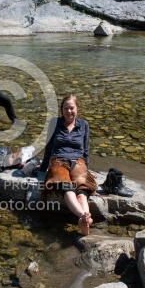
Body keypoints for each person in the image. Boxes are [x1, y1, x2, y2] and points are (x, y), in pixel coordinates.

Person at [39, 94, 97, 235]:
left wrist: (87, 170)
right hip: (58, 160)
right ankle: (84, 217)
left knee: (82, 188)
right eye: (66, 108)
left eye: (72, 108)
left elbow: (86, 150)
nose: (69, 111)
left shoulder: (84, 125)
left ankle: (84, 219)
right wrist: (43, 168)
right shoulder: (54, 123)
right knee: (65, 185)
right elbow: (48, 147)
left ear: (77, 109)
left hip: (78, 161)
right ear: (62, 110)